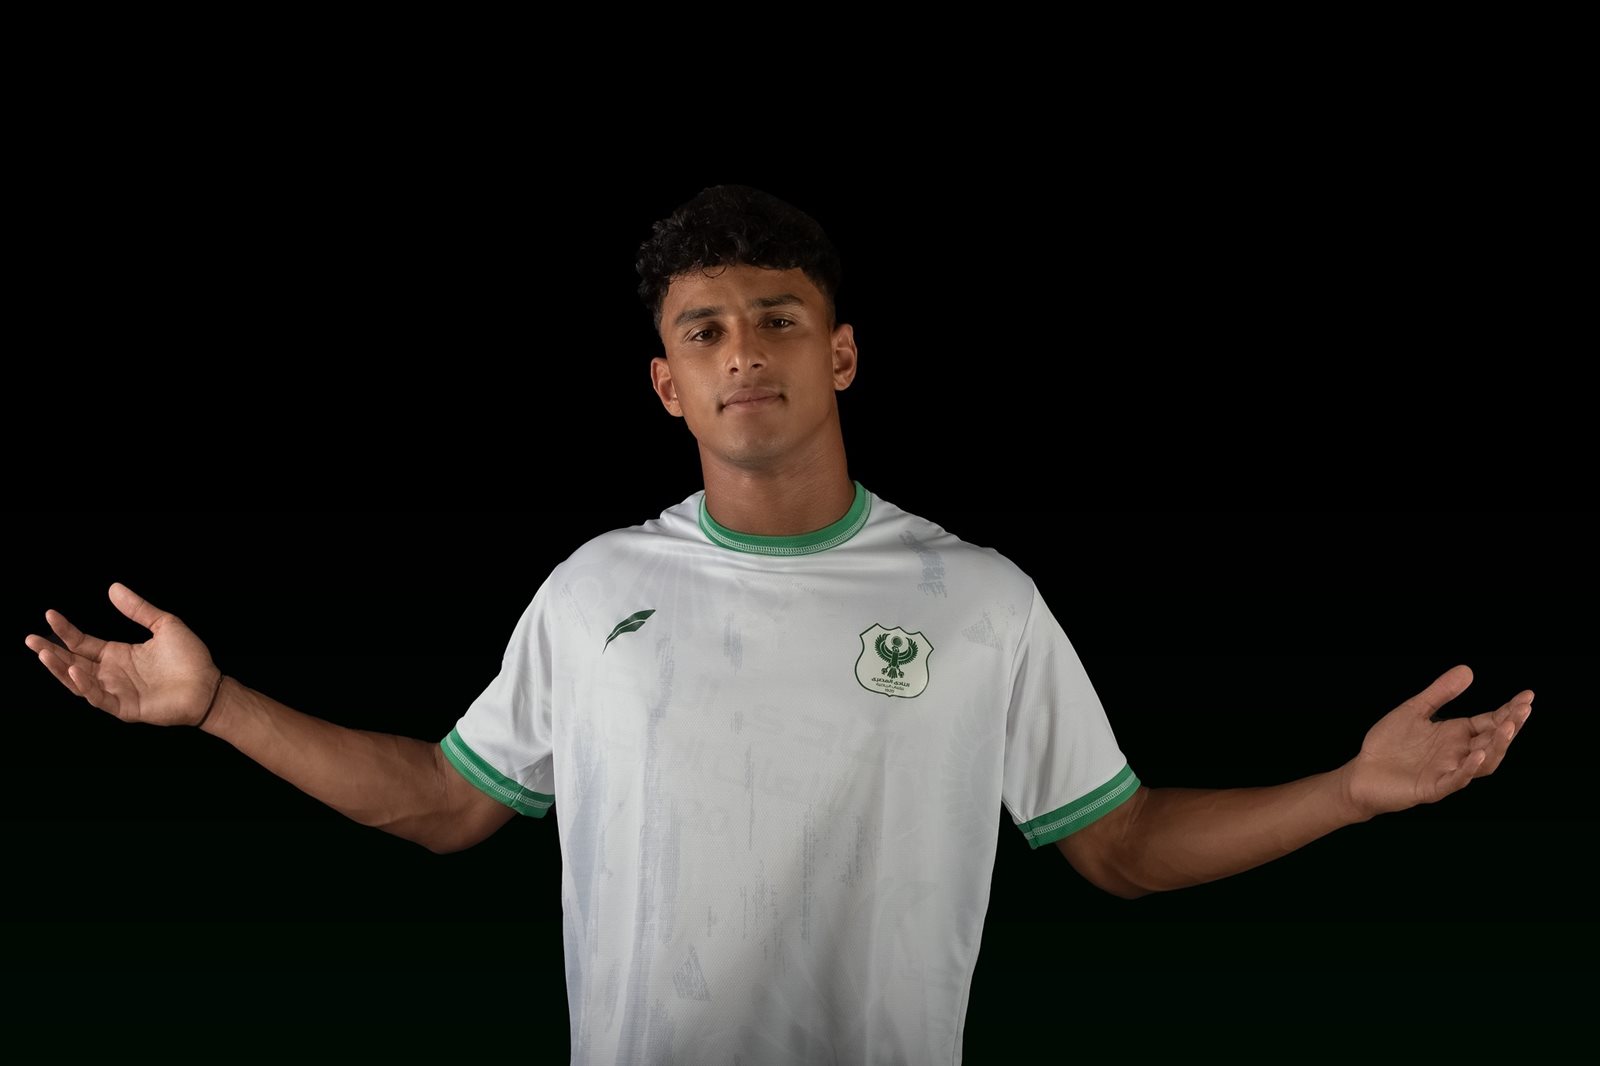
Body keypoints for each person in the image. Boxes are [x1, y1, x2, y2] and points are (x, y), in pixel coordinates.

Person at [24, 185, 1534, 1065]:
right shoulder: (594, 588)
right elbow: (443, 802)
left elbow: (1120, 845)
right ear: (667, 384)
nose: (744, 350)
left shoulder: (979, 598)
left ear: (843, 353)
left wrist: (1351, 791)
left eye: (778, 318)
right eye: (705, 331)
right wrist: (215, 705)